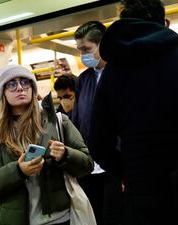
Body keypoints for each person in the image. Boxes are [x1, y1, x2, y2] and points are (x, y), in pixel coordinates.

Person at [88, 1, 178, 225]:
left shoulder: (112, 73)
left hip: (142, 194)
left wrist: (128, 171)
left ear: (124, 23)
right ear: (164, 22)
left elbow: (98, 143)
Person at [0, 64, 93, 225]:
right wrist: (18, 171)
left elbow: (87, 164)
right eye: (11, 84)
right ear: (2, 92)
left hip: (59, 219)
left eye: (25, 82)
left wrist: (66, 155)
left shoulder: (58, 122)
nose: (20, 88)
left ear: (32, 88)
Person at [73, 20, 112, 225]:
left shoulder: (120, 73)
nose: (83, 55)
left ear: (102, 44)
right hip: (89, 166)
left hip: (114, 168)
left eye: (86, 49)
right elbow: (78, 121)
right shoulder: (83, 80)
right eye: (79, 50)